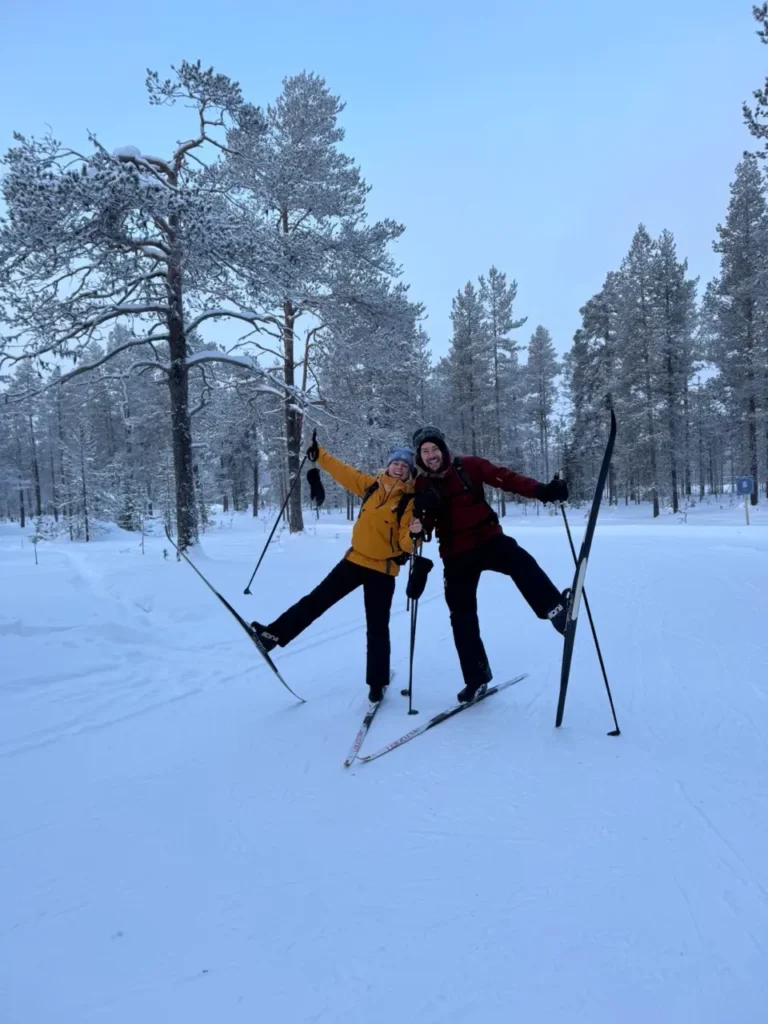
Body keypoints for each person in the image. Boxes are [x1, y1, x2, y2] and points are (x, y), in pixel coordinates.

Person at [408, 425, 569, 703]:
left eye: (434, 448)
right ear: (419, 457)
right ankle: (476, 678)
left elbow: (508, 479)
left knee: (520, 561)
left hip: (487, 539)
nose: (431, 455)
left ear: (443, 449)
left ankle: (555, 609)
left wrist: (543, 491)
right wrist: (418, 524)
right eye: (425, 451)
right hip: (455, 554)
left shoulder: (469, 466)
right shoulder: (421, 485)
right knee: (461, 617)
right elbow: (424, 528)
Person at [250, 438, 416, 704]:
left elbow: (406, 543)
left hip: (383, 571)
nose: (398, 468)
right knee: (315, 601)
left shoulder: (409, 500)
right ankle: (271, 636)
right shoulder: (371, 485)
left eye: (404, 466)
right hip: (354, 561)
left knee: (377, 628)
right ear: (388, 466)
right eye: (395, 463)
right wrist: (320, 454)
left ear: (409, 472)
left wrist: (415, 533)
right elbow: (343, 471)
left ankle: (377, 683)